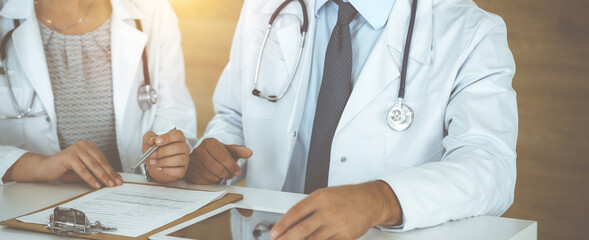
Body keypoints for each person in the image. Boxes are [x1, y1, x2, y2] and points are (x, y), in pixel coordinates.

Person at [187, 0, 517, 239]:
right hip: (268, 232)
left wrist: (381, 199)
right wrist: (214, 157)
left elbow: (491, 167)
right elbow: (233, 115)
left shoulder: (470, 31)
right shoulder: (265, 8)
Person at [0, 0, 197, 187]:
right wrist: (36, 166)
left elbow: (175, 115)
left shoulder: (152, 10)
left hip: (134, 205)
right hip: (26, 210)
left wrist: (165, 159)